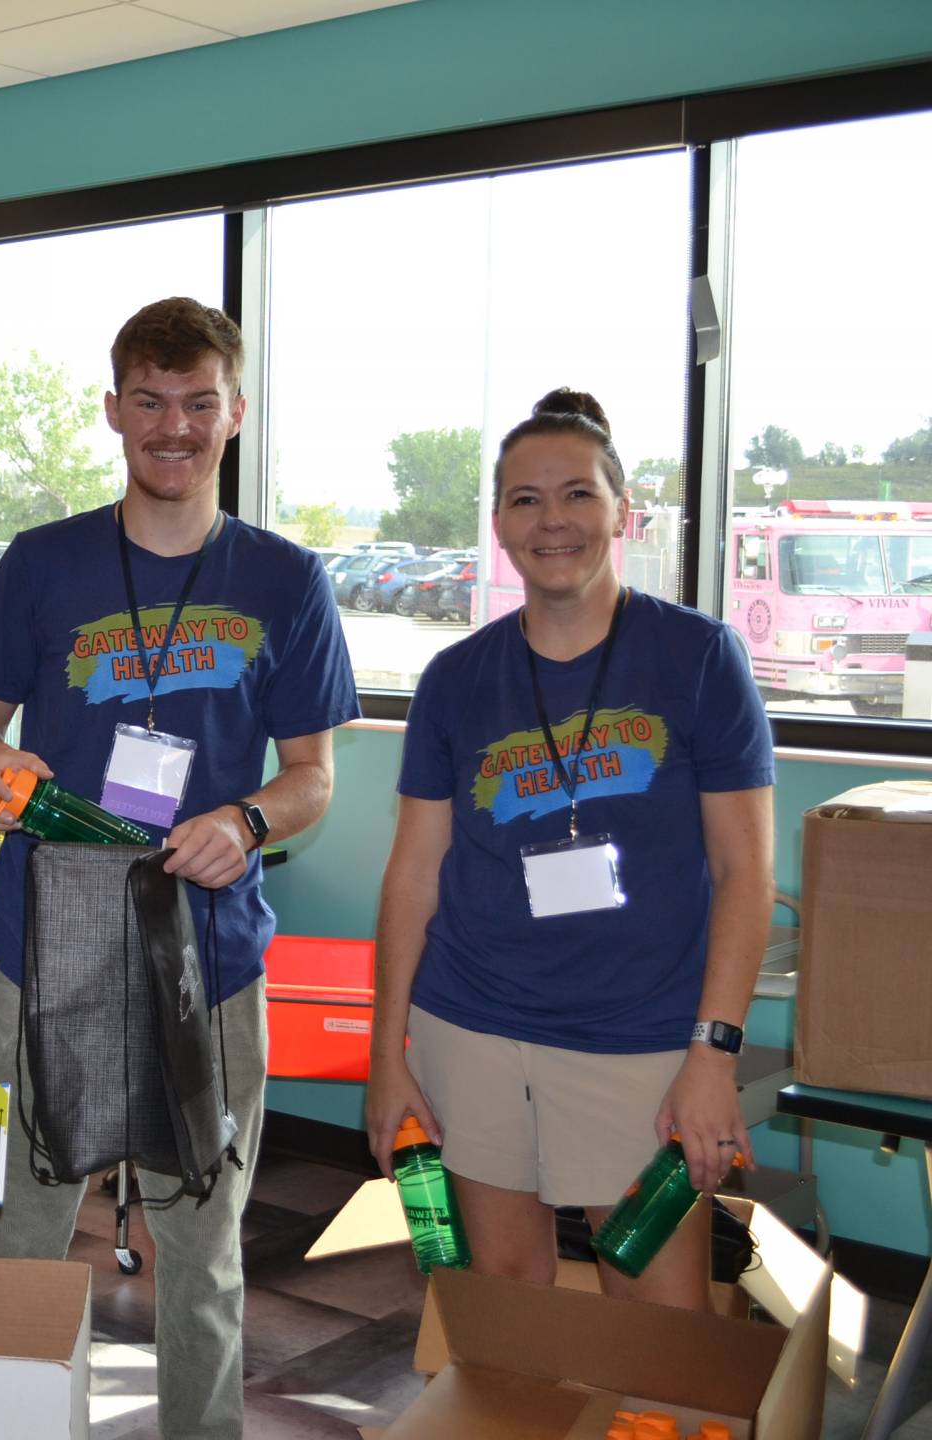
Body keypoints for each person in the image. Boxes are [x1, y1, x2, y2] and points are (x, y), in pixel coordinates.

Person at [0, 296, 358, 1439]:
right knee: (17, 1226)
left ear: (234, 412)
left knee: (202, 1245)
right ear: (114, 407)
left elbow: (315, 774)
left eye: (197, 403)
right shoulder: (42, 564)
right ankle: (5, 1423)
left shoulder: (284, 579)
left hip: (207, 954)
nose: (172, 427)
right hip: (43, 945)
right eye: (149, 402)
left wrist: (251, 821)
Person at [365, 389, 774, 1311]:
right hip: (469, 1023)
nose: (554, 521)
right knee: (507, 1294)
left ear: (621, 510)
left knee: (663, 1312)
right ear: (501, 524)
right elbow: (415, 873)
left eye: (578, 494)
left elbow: (746, 871)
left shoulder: (699, 658)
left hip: (640, 1037)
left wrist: (713, 1053)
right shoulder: (456, 679)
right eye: (525, 499)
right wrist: (386, 1052)